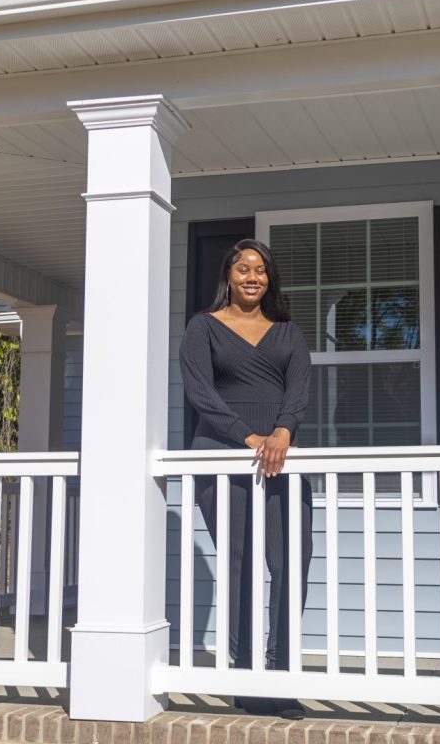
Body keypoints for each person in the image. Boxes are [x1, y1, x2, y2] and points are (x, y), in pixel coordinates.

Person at [178, 239, 312, 720]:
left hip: (279, 457)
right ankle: (246, 673)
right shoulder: (204, 327)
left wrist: (280, 433)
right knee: (239, 563)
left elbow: (297, 393)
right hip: (223, 455)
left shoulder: (289, 333)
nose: (252, 277)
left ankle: (280, 672)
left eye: (261, 270)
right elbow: (199, 392)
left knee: (291, 561)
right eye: (243, 269)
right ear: (228, 276)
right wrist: (249, 437)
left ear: (269, 278)